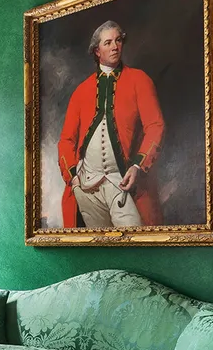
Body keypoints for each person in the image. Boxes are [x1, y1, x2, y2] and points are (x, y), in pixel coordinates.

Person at [56, 20, 165, 228]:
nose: (115, 46)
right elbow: (66, 140)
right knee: (98, 247)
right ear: (97, 51)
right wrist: (73, 178)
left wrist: (137, 166)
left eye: (118, 40)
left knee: (135, 238)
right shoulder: (81, 91)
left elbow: (155, 125)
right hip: (86, 186)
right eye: (108, 43)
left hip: (123, 182)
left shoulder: (139, 80)